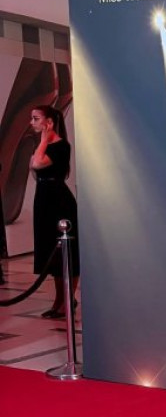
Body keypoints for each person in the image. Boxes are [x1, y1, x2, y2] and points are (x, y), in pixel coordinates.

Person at [29, 106, 79, 318]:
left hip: (59, 201)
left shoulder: (61, 145)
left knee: (67, 252)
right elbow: (34, 168)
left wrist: (44, 140)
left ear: (49, 122)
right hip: (43, 199)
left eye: (36, 118)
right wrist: (42, 142)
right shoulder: (44, 146)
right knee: (51, 252)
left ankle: (67, 299)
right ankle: (59, 300)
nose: (32, 122)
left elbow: (38, 163)